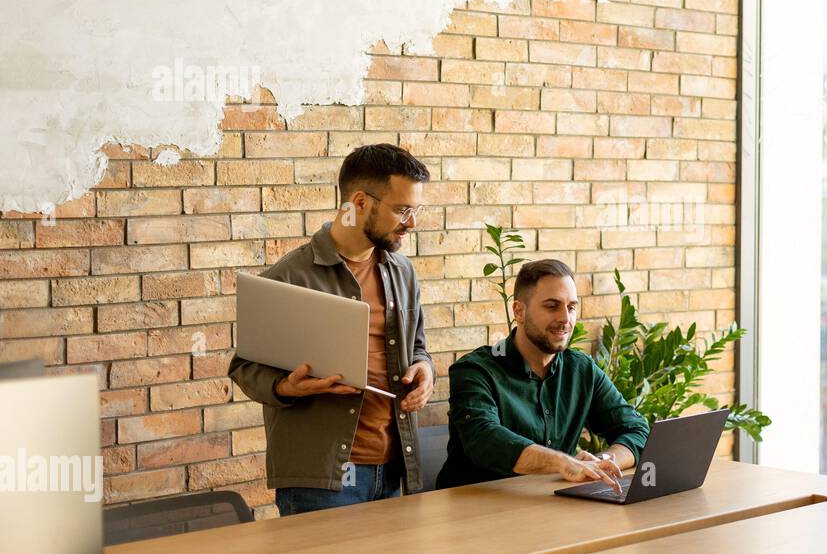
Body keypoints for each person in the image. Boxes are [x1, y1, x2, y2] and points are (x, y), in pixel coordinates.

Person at [228, 143, 436, 515]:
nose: (412, 223)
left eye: (416, 210)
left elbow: (418, 347)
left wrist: (425, 370)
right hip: (322, 481)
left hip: (393, 468)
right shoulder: (289, 277)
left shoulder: (402, 272)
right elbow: (244, 368)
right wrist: (285, 387)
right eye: (403, 210)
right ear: (359, 202)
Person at [436, 259, 649, 493]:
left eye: (571, 307)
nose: (565, 319)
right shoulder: (475, 371)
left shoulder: (582, 370)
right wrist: (562, 462)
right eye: (552, 306)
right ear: (519, 311)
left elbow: (636, 429)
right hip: (471, 513)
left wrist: (603, 461)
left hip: (550, 508)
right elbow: (485, 439)